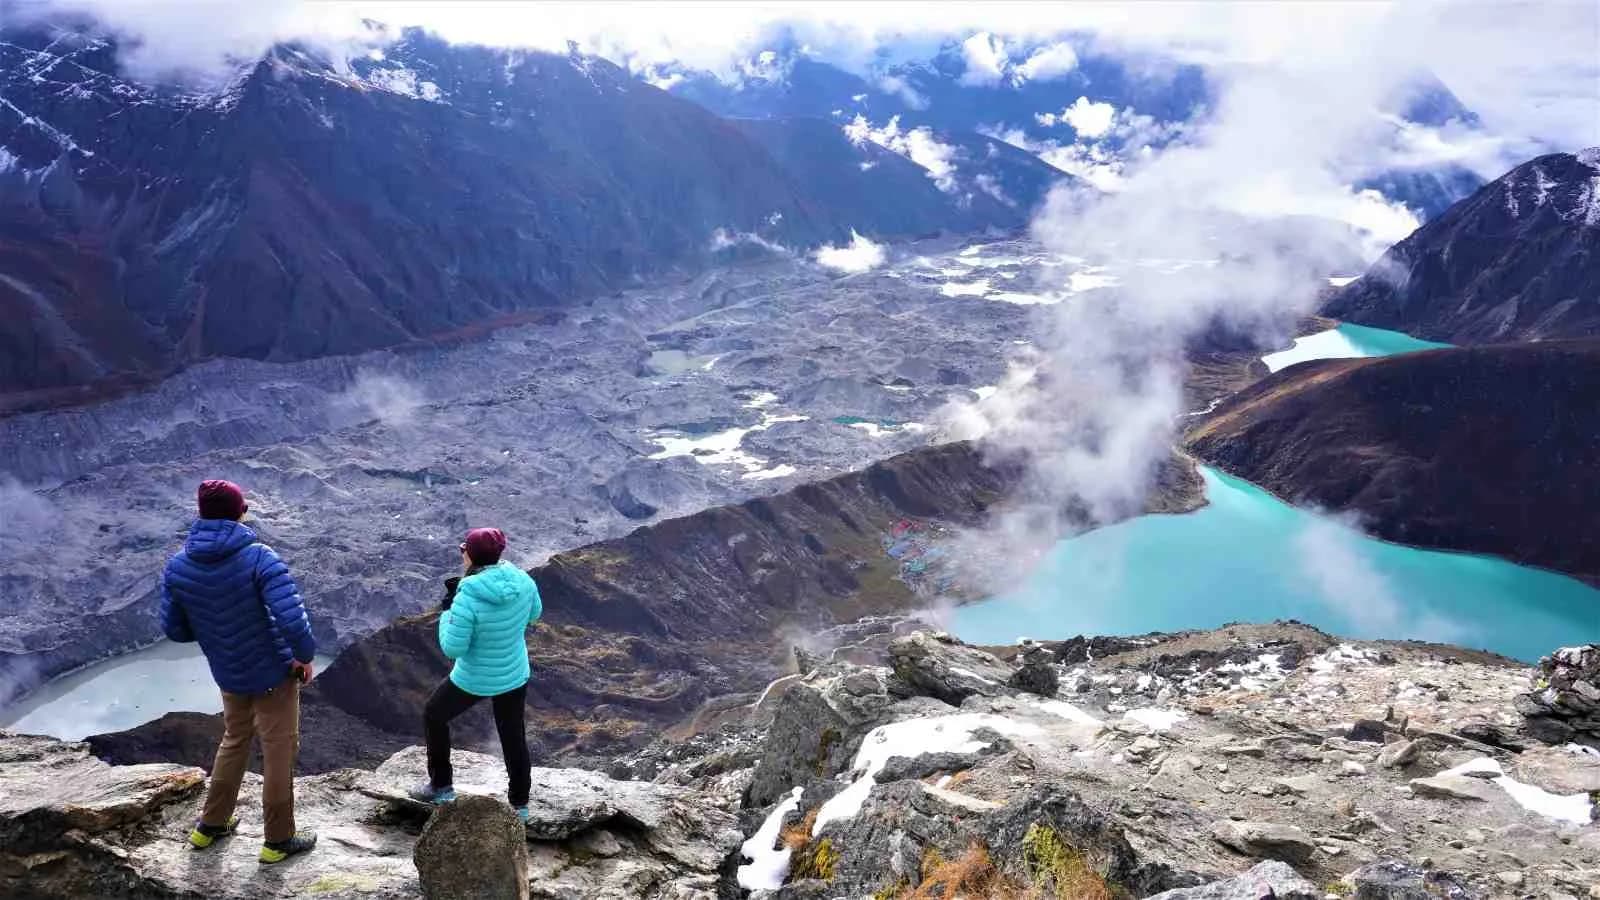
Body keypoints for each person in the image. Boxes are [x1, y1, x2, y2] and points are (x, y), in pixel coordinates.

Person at [160, 479, 319, 864]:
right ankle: (278, 840)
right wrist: (304, 655)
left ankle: (210, 825)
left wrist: (218, 632)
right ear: (240, 513)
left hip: (228, 671)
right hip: (272, 672)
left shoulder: (179, 565)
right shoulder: (259, 556)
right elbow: (292, 618)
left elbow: (175, 630)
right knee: (279, 749)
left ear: (200, 514)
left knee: (234, 739)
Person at [409, 527, 542, 821]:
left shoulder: (466, 596)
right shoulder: (523, 580)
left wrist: (447, 611)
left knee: (434, 714)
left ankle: (441, 787)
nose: (462, 553)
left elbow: (453, 648)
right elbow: (534, 614)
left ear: (470, 555)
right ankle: (519, 806)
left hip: (475, 677)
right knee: (513, 735)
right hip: (513, 673)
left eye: (463, 549)